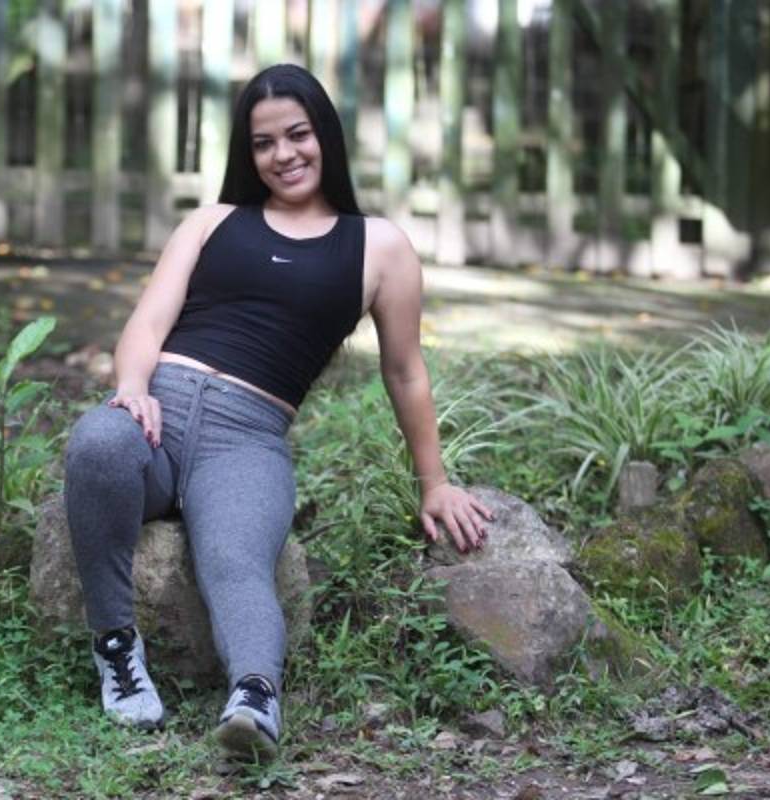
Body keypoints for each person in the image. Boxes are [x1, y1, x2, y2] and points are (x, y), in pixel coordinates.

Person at [62, 63, 492, 761]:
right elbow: (148, 322)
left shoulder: (379, 246)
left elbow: (405, 371)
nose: (283, 154)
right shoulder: (212, 222)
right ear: (248, 153)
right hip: (157, 416)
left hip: (247, 440)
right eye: (264, 143)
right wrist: (135, 385)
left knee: (235, 560)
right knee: (97, 444)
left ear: (326, 135)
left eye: (298, 134)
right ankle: (117, 649)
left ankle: (254, 699)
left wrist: (434, 483)